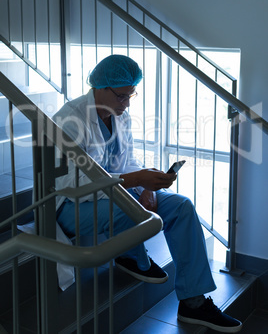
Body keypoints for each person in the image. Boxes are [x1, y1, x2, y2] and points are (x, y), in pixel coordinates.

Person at [53, 55, 242, 333]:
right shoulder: (69, 120)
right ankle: (132, 257)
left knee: (181, 207)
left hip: (112, 196)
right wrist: (136, 182)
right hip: (69, 207)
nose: (127, 103)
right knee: (132, 209)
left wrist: (147, 186)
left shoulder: (120, 116)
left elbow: (127, 161)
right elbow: (74, 184)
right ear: (101, 87)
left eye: (131, 95)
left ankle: (193, 302)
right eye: (121, 96)